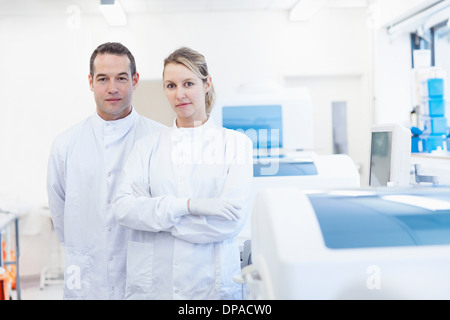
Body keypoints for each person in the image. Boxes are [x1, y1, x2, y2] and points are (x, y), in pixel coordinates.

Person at [113, 47, 254, 300]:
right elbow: (124, 209)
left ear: (207, 83)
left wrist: (160, 220)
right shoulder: (147, 147)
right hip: (158, 285)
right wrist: (188, 205)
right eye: (170, 85)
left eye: (188, 83)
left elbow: (231, 220)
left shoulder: (235, 145)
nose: (180, 94)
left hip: (212, 286)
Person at [47, 42, 165, 299]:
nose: (112, 88)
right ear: (90, 82)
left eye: (121, 78)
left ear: (135, 80)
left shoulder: (161, 140)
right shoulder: (66, 144)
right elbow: (59, 212)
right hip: (88, 279)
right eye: (103, 79)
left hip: (145, 276)